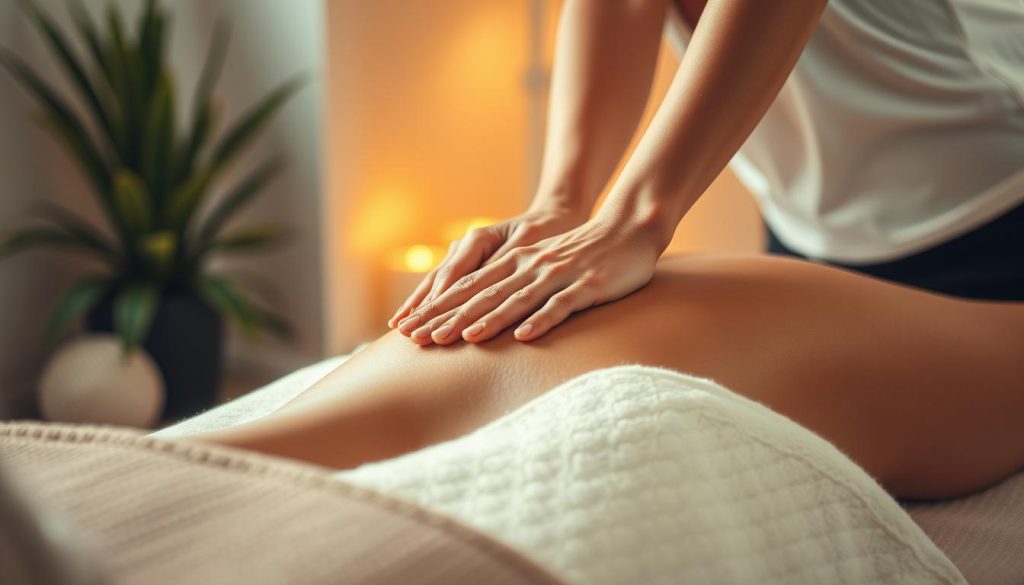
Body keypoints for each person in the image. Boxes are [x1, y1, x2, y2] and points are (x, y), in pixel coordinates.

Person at [191, 0, 1024, 501]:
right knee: (524, 323)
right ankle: (143, 470)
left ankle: (153, 483)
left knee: (589, 339)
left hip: (997, 265)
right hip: (813, 247)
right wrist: (560, 207)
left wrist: (633, 220)